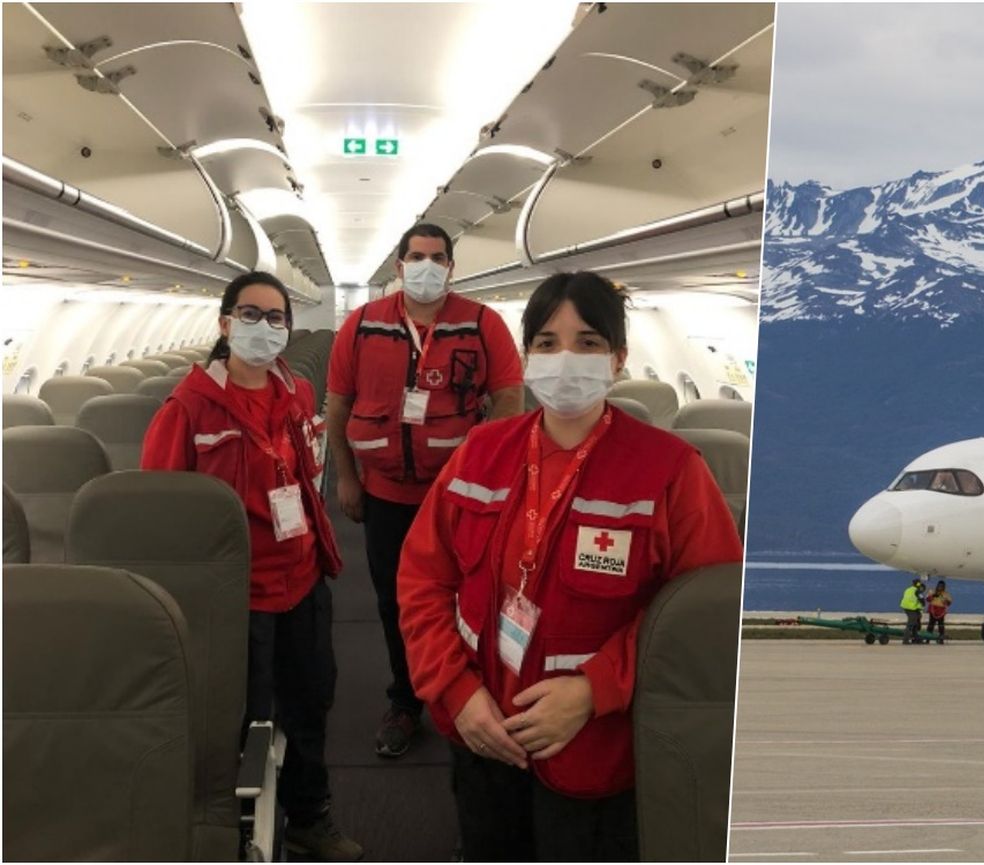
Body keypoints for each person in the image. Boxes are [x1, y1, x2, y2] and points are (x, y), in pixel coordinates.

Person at [398, 271, 742, 860]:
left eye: (587, 343)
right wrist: (455, 692)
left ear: (618, 359)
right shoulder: (481, 454)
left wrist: (592, 691)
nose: (566, 359)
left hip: (595, 747)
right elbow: (422, 580)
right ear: (527, 355)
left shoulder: (670, 470)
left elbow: (700, 617)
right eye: (548, 343)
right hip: (483, 731)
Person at [141, 272, 362, 861]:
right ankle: (238, 834)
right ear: (223, 323)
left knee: (312, 700)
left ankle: (310, 817)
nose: (265, 327)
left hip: (303, 578)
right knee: (242, 722)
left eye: (276, 317)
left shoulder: (297, 393)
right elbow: (161, 515)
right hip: (235, 597)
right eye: (251, 314)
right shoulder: (187, 408)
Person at [325, 223, 525, 758]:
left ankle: (469, 701)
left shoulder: (484, 324)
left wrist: (489, 479)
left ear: (452, 267)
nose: (427, 266)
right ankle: (407, 700)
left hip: (460, 499)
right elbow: (338, 408)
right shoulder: (362, 326)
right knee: (396, 605)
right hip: (387, 495)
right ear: (399, 266)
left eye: (438, 257)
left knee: (469, 602)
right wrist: (347, 477)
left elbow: (509, 400)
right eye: (417, 256)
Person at [900, 578, 926, 644]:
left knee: (915, 623)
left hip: (906, 608)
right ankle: (905, 640)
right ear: (918, 584)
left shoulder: (908, 589)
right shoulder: (917, 591)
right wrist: (923, 604)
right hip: (911, 608)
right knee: (910, 624)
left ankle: (916, 637)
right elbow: (921, 599)